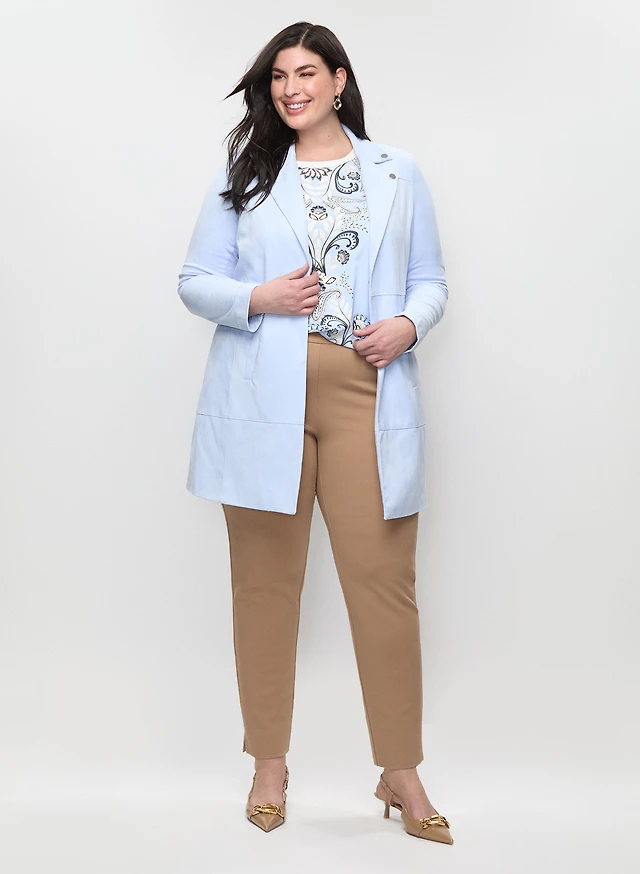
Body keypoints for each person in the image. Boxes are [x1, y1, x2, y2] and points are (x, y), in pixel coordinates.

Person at [177, 21, 452, 843]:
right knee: (264, 585)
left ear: (338, 80)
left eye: (305, 73)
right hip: (265, 394)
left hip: (366, 388)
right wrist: (258, 298)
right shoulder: (248, 176)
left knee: (384, 584)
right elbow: (195, 280)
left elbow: (430, 279)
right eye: (277, 77)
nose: (290, 89)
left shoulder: (397, 172)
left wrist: (408, 324)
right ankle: (269, 763)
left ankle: (400, 770)